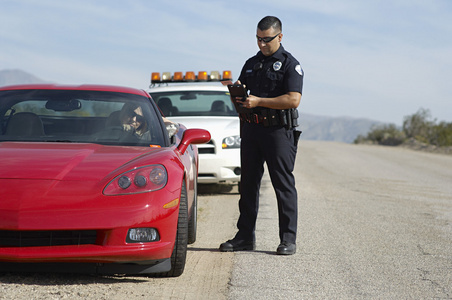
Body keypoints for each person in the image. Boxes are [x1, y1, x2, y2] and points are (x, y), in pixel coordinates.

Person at [219, 16, 303, 255]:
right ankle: (244, 237)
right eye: (258, 39)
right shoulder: (250, 63)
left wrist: (259, 101)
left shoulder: (289, 64)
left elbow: (293, 99)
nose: (262, 44)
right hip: (252, 130)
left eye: (267, 39)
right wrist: (236, 92)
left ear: (280, 36)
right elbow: (242, 92)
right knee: (247, 186)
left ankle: (288, 239)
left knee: (283, 185)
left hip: (278, 133)